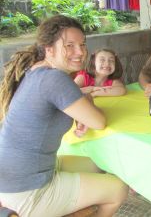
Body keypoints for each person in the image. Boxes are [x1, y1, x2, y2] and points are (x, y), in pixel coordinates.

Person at [0, 16, 128, 216]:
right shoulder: (55, 79)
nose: (80, 52)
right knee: (118, 188)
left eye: (82, 44)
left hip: (16, 176)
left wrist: (84, 107)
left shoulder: (36, 71)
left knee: (102, 163)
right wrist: (87, 110)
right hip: (28, 189)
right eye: (69, 45)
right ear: (48, 48)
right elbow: (98, 121)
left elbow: (77, 104)